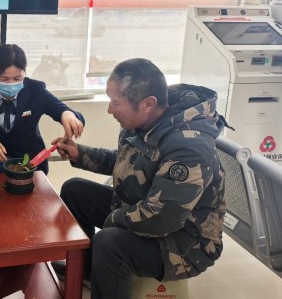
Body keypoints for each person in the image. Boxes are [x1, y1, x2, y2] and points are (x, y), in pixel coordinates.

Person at [52, 58, 227, 299]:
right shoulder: (144, 122)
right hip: (146, 207)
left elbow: (162, 218)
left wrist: (114, 218)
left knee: (108, 242)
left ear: (148, 104)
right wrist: (80, 154)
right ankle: (89, 270)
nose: (109, 110)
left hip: (185, 240)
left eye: (115, 103)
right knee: (75, 190)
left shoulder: (188, 146)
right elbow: (126, 163)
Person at [0, 43, 85, 174]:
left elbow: (64, 111)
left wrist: (67, 114)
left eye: (17, 78)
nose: (11, 84)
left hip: (32, 164)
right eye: (4, 79)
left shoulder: (36, 90)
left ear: (24, 73)